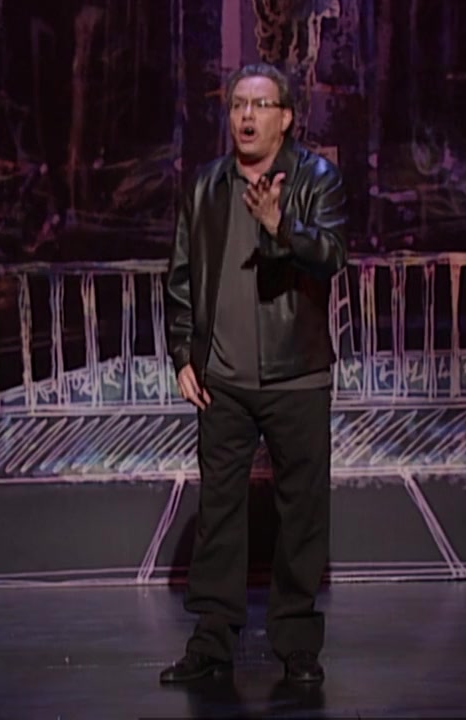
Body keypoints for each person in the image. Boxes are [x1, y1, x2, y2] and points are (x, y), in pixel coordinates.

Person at [160, 63, 347, 685]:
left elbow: (331, 255)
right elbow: (181, 275)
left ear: (286, 118)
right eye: (238, 103)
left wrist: (279, 227)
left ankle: (297, 646)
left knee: (302, 515)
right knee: (219, 514)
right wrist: (184, 354)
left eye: (260, 105)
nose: (246, 115)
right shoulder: (206, 185)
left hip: (297, 377)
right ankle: (212, 644)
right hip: (222, 381)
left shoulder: (316, 179)